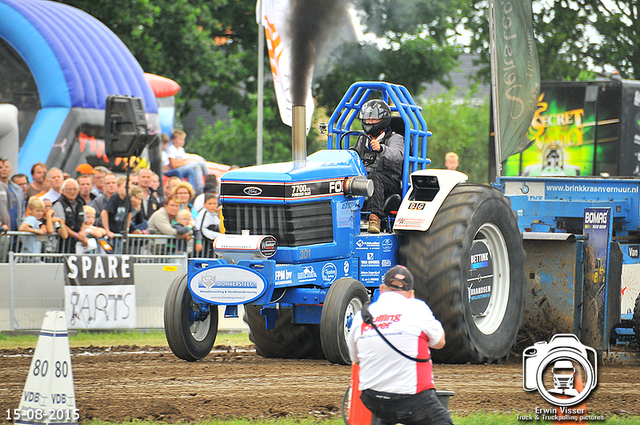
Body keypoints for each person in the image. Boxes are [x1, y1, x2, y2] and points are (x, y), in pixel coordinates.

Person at [347, 265, 452, 425]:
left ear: (382, 289)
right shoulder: (417, 307)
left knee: (388, 414)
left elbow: (355, 358)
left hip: (373, 399)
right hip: (412, 399)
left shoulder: (362, 316)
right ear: (411, 294)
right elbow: (440, 343)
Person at [352, 99, 404, 233]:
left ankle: (375, 219)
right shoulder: (363, 138)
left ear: (383, 119)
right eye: (367, 119)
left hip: (390, 181)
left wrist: (381, 149)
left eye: (373, 119)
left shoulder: (395, 138)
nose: (369, 122)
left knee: (375, 177)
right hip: (365, 178)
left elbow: (398, 155)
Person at [52, 178, 87, 252]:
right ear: (63, 191)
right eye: (69, 189)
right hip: (62, 244)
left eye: (74, 189)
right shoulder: (59, 204)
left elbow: (84, 221)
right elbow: (61, 223)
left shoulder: (80, 203)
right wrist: (76, 235)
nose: (72, 192)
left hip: (77, 244)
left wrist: (82, 232)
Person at [194, 192, 222, 257]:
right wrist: (218, 236)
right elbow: (200, 229)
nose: (212, 206)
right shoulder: (203, 214)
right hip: (205, 243)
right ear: (204, 204)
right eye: (210, 204)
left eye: (214, 204)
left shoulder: (214, 215)